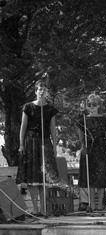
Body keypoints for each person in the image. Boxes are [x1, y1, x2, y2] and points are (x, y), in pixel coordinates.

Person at [16, 80, 60, 215]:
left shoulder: (50, 109)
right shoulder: (28, 107)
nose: (42, 91)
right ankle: (35, 209)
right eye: (39, 89)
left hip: (45, 142)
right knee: (32, 178)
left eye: (44, 89)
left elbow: (53, 129)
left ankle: (43, 209)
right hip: (31, 143)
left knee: (44, 177)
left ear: (46, 92)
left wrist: (55, 146)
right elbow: (23, 127)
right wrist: (21, 144)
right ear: (36, 91)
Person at [77, 93, 106, 211]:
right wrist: (83, 146)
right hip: (89, 150)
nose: (91, 106)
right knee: (90, 178)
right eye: (89, 104)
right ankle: (91, 204)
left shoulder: (105, 120)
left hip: (101, 149)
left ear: (98, 105)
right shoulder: (83, 120)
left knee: (101, 178)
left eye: (94, 104)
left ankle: (100, 205)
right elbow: (81, 137)